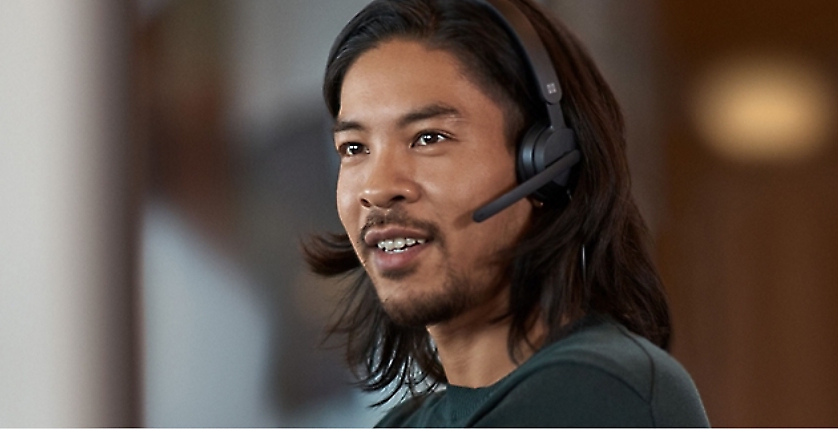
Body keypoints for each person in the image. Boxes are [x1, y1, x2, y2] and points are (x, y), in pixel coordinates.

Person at [302, 0, 709, 426]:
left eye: (428, 138)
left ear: (549, 163)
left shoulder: (597, 390)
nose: (378, 188)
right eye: (354, 148)